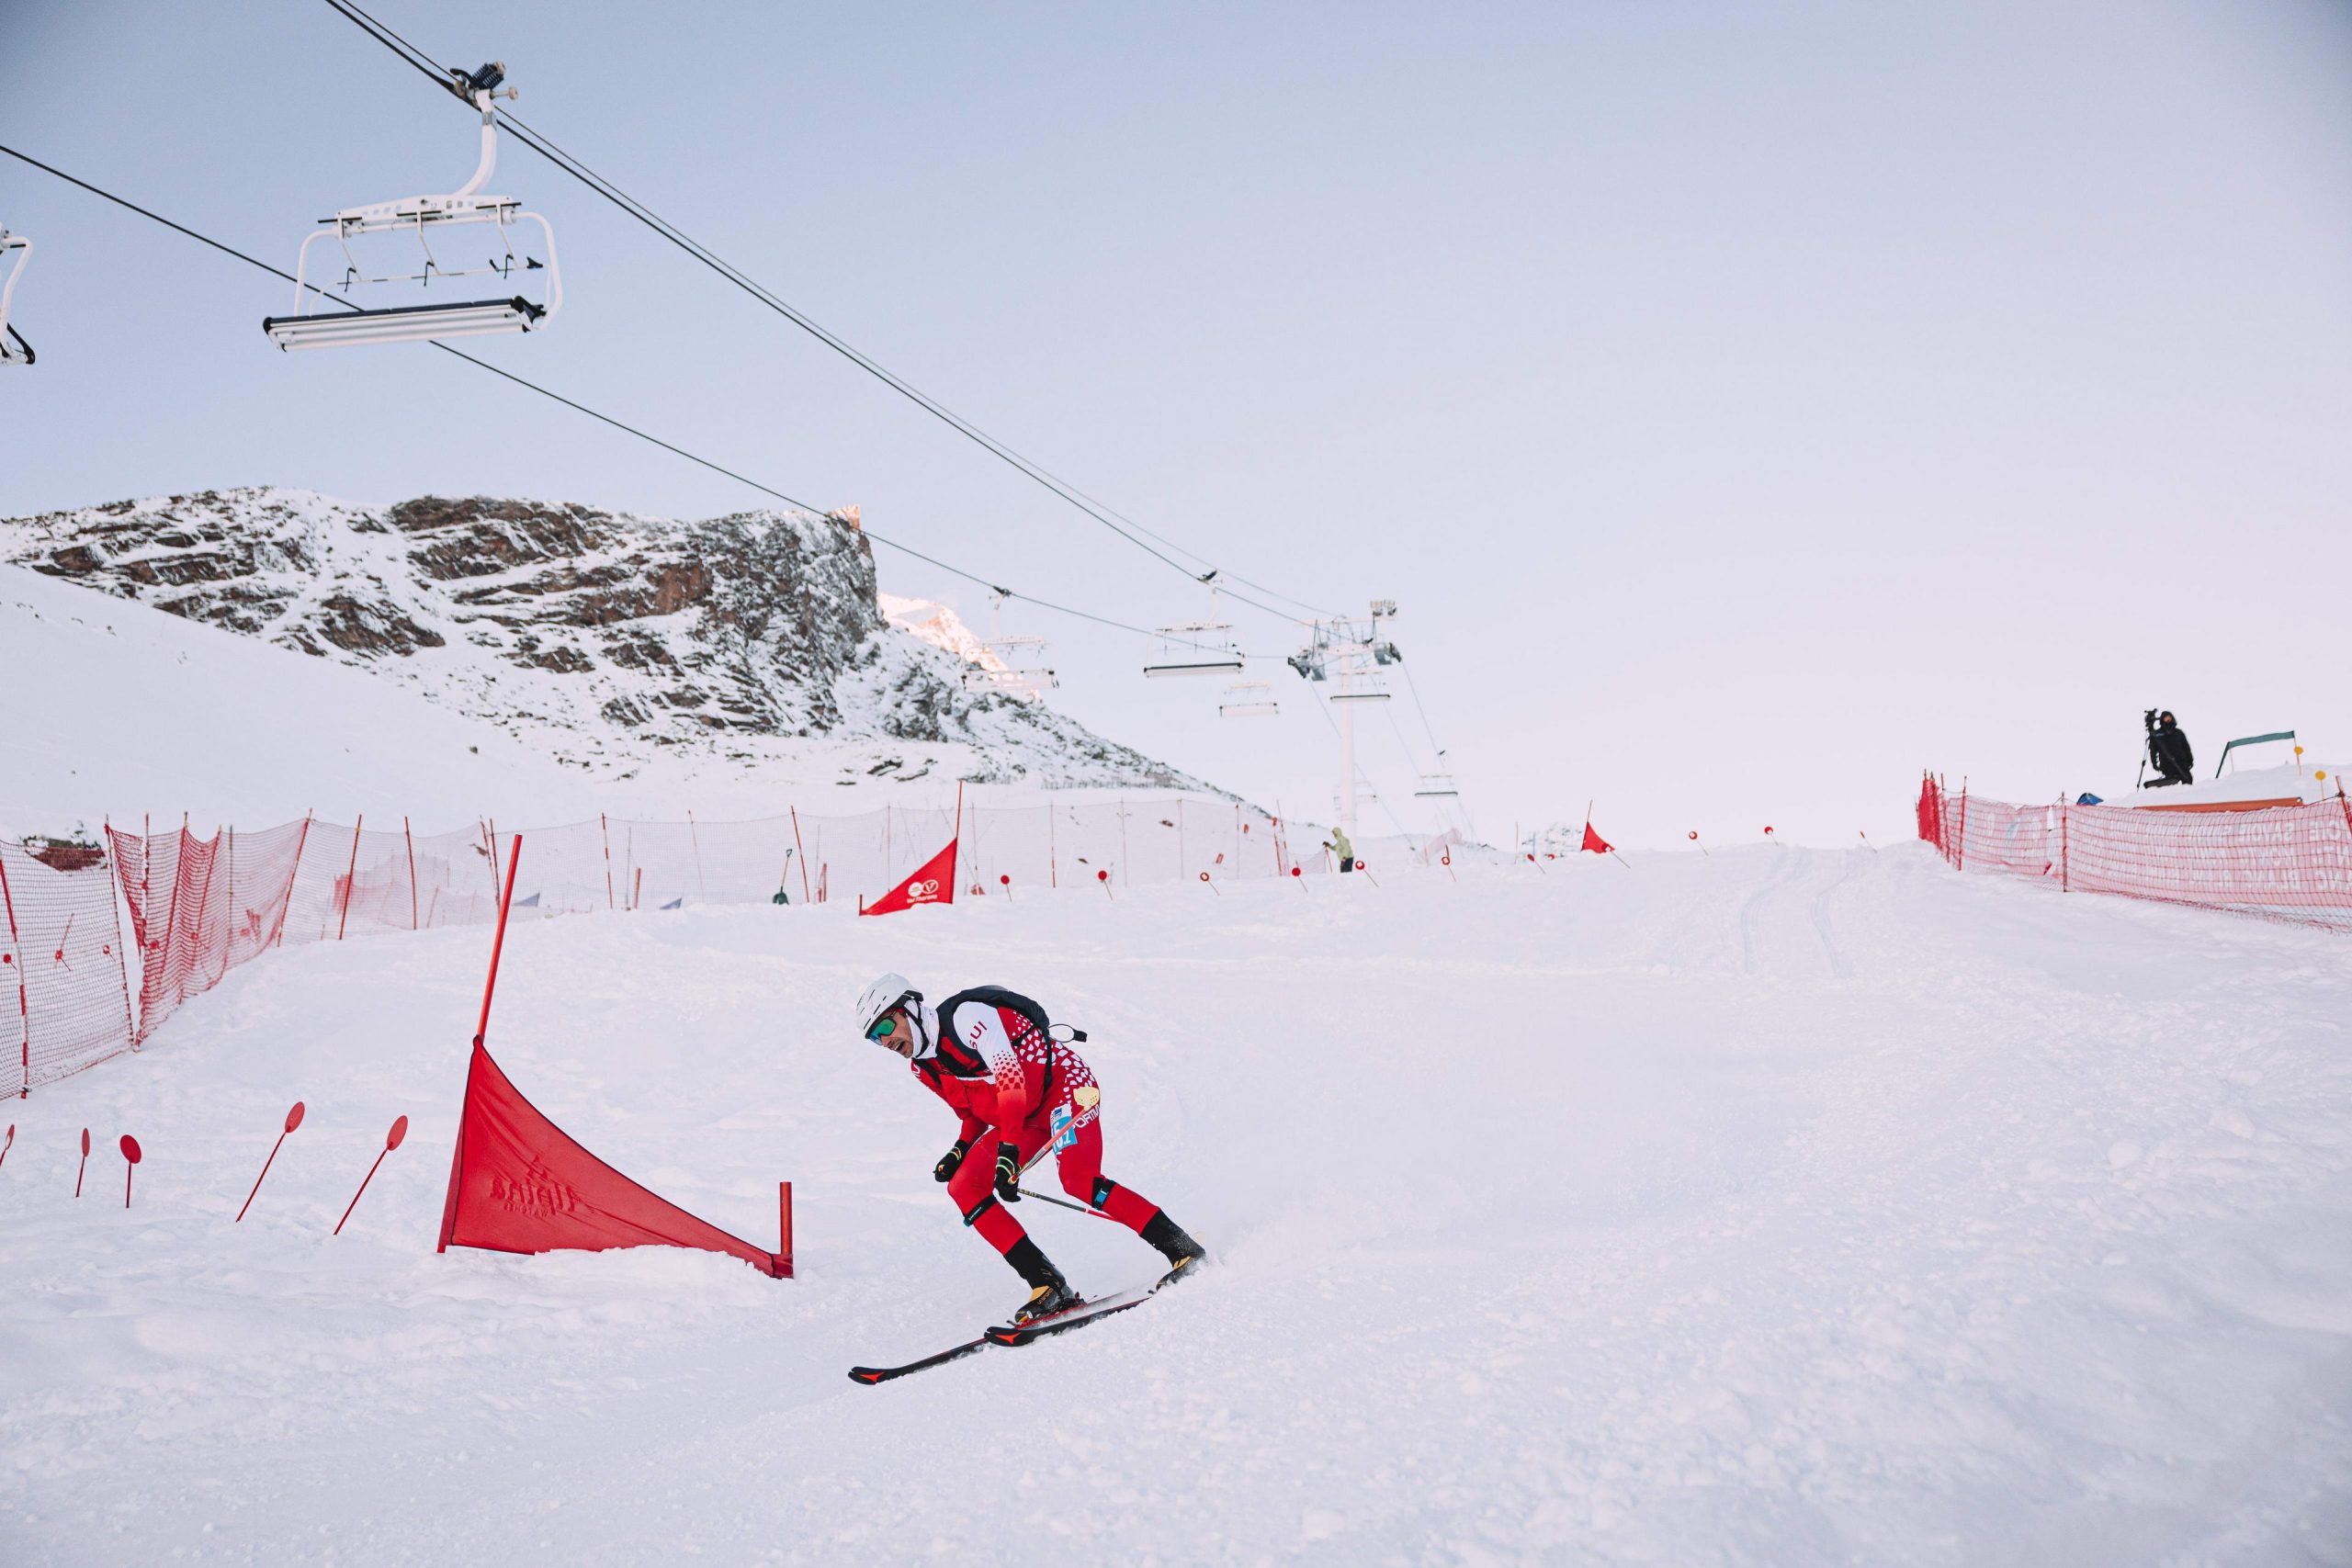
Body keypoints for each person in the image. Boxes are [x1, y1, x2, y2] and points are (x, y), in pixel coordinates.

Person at [853, 972, 1205, 1325]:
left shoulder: (966, 1018)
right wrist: (959, 1150)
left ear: (909, 1009)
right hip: (1022, 1118)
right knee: (964, 1186)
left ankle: (1183, 1251)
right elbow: (971, 1116)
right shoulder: (922, 1068)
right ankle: (1048, 1286)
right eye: (874, 1039)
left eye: (885, 1029)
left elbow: (1010, 1078)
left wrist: (1008, 1153)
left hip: (1066, 1090)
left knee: (1078, 1180)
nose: (885, 1042)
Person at [2146, 710, 2195, 788]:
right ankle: (2173, 797)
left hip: (2181, 761)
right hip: (2166, 763)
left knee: (2188, 779)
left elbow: (2186, 747)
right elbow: (2153, 751)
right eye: (2165, 717)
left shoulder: (2178, 732)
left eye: (2169, 717)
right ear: (2162, 719)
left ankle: (2188, 796)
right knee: (2171, 782)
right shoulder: (2157, 734)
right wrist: (2154, 763)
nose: (2168, 719)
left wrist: (2190, 759)